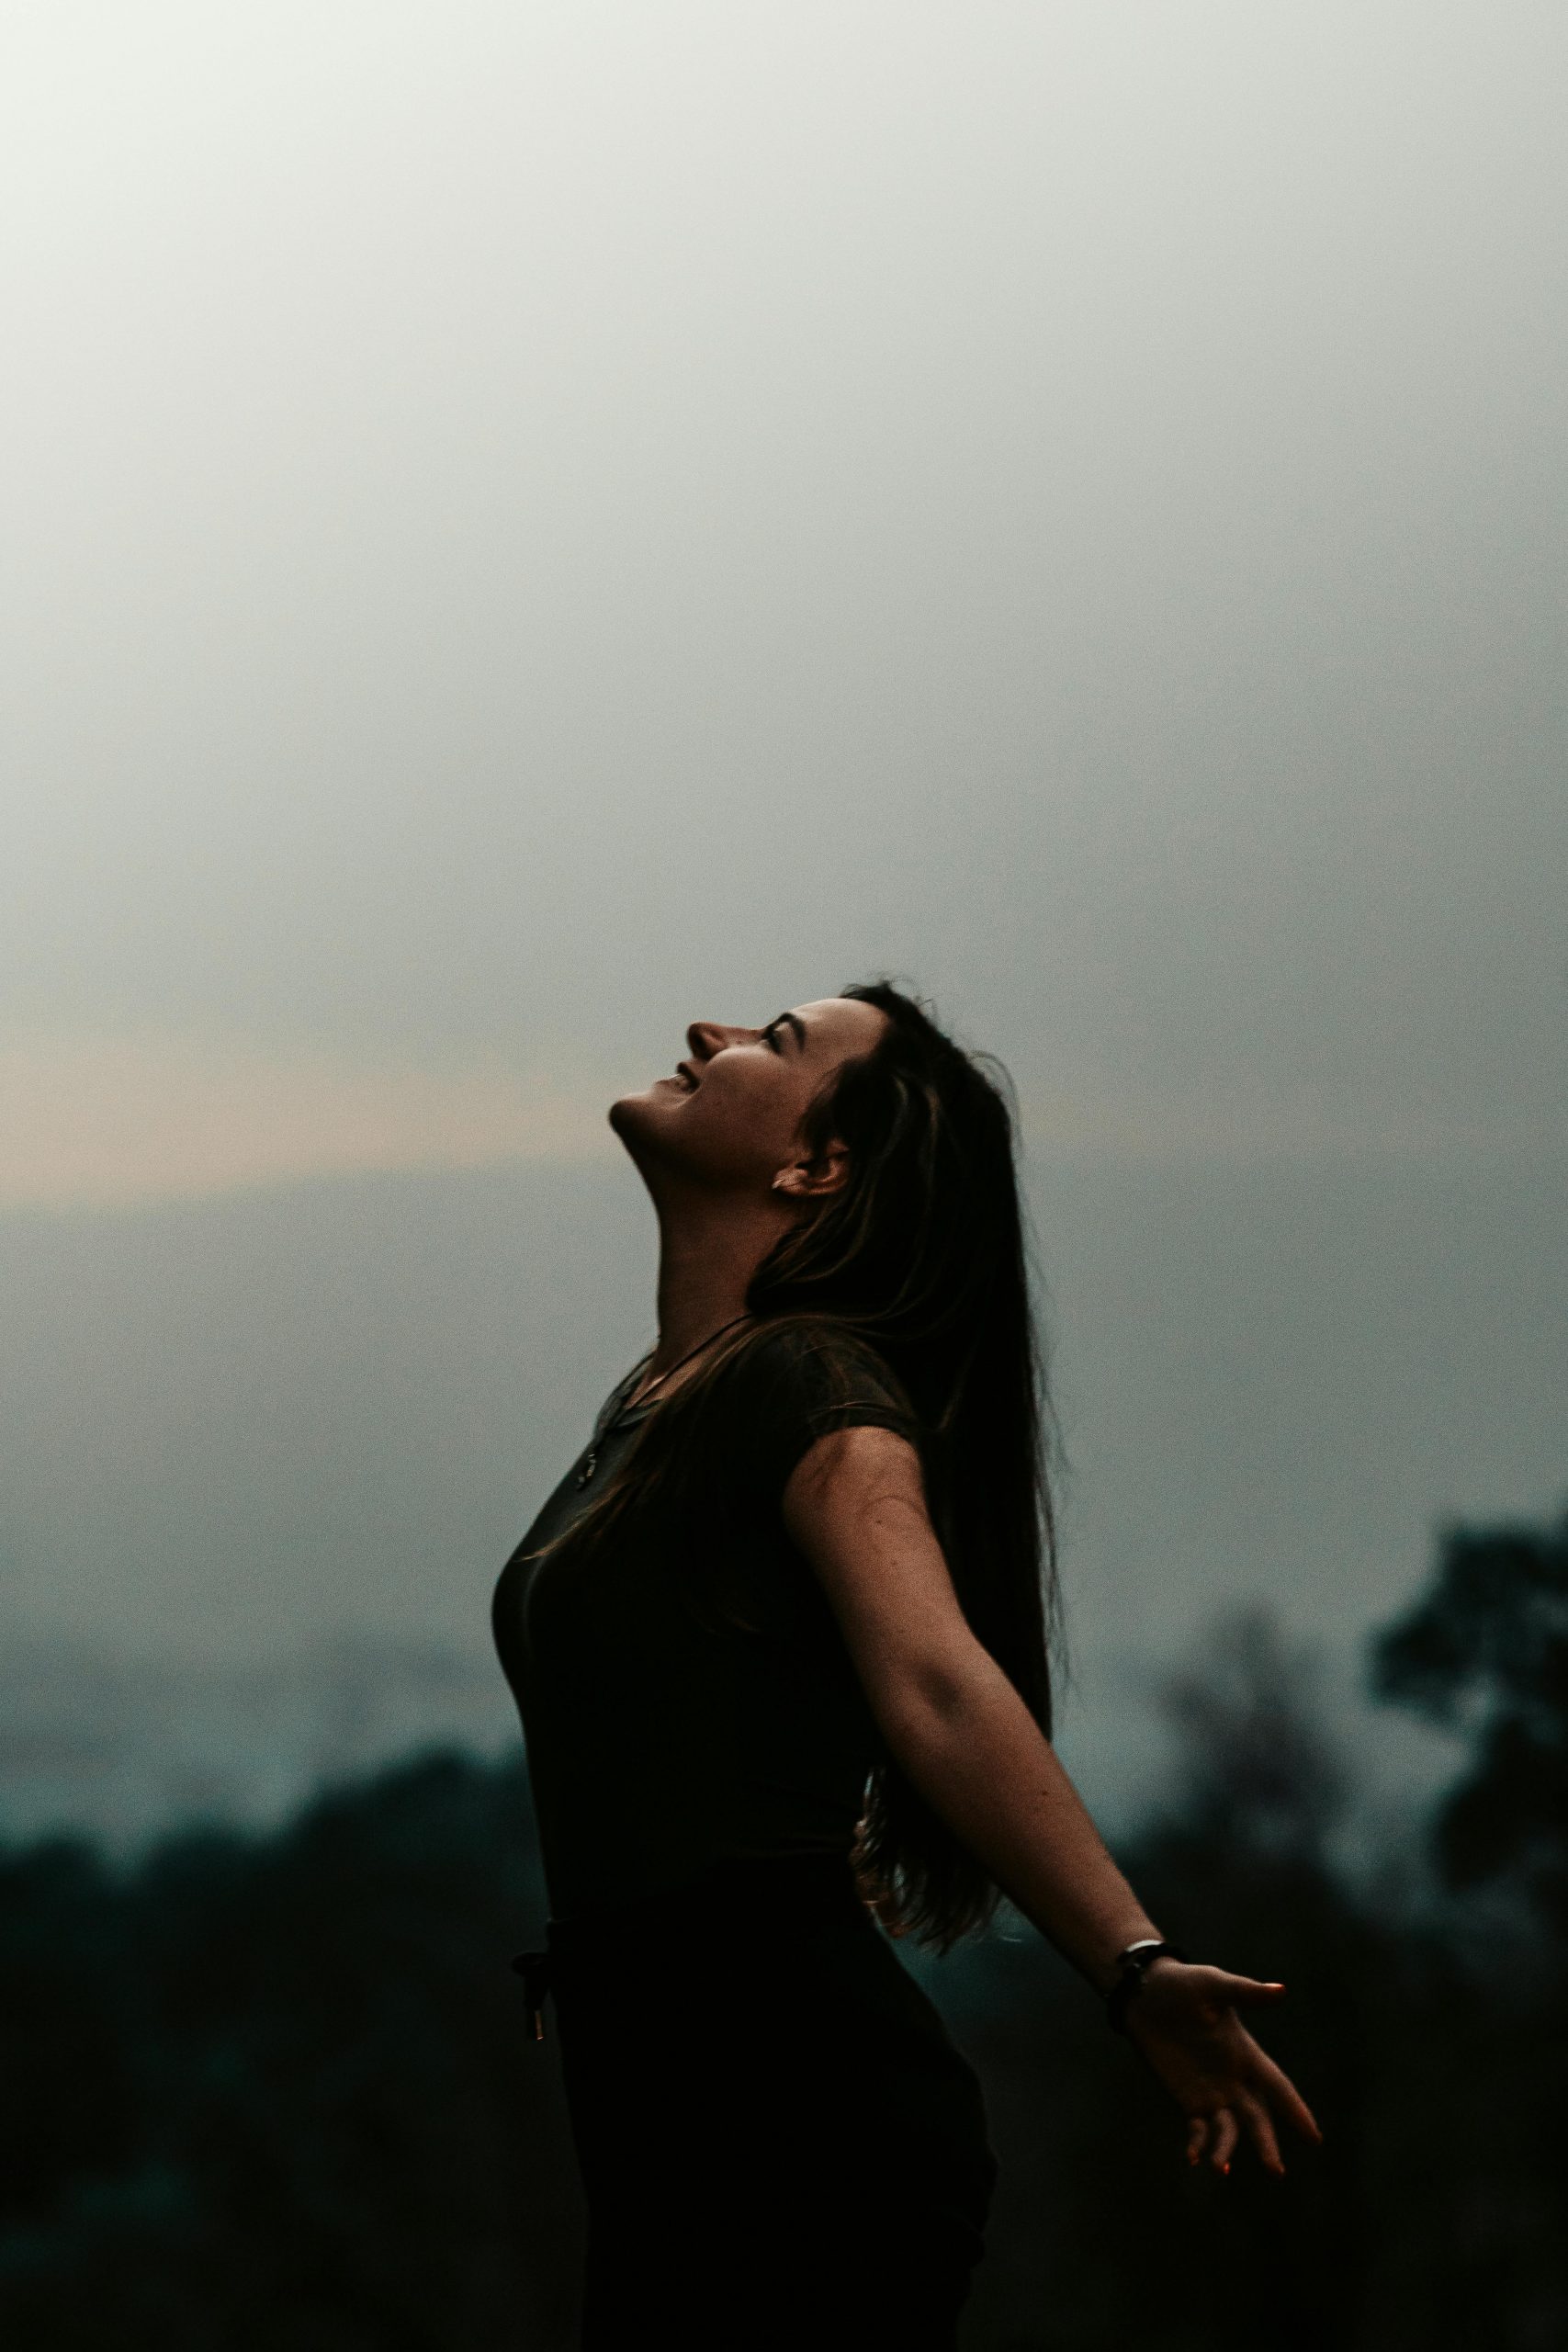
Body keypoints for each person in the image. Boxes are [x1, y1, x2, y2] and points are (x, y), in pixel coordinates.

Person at [491, 981, 1321, 2350]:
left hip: (793, 2123)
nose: (712, 1033)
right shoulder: (663, 1406)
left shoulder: (814, 1387)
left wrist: (1133, 1968)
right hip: (666, 2113)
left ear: (818, 1166)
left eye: (779, 1041)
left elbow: (937, 1682)